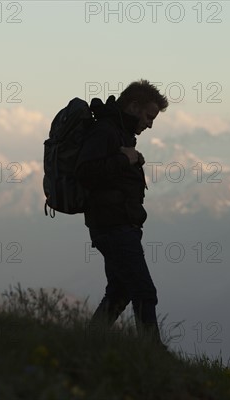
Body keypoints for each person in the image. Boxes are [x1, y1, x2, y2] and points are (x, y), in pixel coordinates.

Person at [75, 79, 169, 344]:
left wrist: (130, 159)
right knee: (144, 292)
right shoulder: (105, 130)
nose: (150, 123)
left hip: (118, 225)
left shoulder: (120, 132)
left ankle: (89, 342)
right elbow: (85, 172)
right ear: (134, 106)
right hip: (113, 227)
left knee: (119, 292)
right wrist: (125, 159)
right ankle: (152, 355)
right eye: (149, 116)